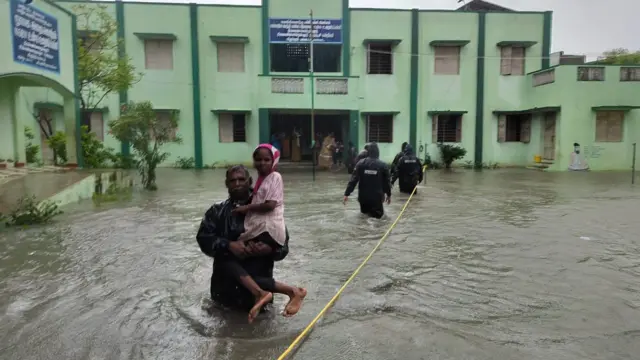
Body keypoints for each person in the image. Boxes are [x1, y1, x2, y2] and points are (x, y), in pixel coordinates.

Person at [196, 165, 290, 320]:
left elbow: (283, 246)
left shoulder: (268, 210)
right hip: (224, 292)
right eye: (233, 180)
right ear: (227, 184)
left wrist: (269, 249)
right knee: (222, 333)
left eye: (241, 179)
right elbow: (203, 239)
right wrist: (228, 245)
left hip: (260, 288)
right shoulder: (216, 211)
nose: (237, 183)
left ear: (250, 181)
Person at [232, 144, 306, 323]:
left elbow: (271, 206)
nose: (262, 163)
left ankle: (288, 292)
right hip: (259, 232)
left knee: (240, 270)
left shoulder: (274, 178)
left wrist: (246, 208)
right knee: (244, 274)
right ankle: (270, 294)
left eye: (267, 160)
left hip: (267, 233)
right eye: (258, 160)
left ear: (274, 161)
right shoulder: (256, 185)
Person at [343, 142, 392, 219]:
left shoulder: (360, 163)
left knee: (364, 218)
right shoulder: (383, 165)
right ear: (378, 152)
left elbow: (353, 180)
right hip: (376, 198)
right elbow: (387, 183)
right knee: (378, 220)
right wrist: (389, 195)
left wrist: (347, 194)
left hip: (363, 198)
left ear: (368, 152)